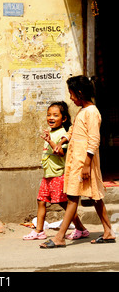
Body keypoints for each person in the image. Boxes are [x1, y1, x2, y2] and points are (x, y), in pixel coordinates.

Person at [40, 75, 116, 248]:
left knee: (73, 197)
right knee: (95, 197)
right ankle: (108, 232)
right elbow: (73, 130)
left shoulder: (92, 112)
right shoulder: (82, 111)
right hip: (78, 161)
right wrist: (61, 141)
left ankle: (59, 237)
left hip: (84, 162)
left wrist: (87, 165)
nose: (71, 98)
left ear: (80, 93)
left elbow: (94, 139)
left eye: (72, 94)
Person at [23, 101, 88, 241]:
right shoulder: (51, 132)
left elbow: (61, 154)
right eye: (49, 115)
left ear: (63, 118)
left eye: (55, 115)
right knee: (41, 201)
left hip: (58, 175)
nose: (51, 118)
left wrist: (51, 142)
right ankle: (39, 231)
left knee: (65, 204)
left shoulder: (62, 134)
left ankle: (81, 229)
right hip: (48, 175)